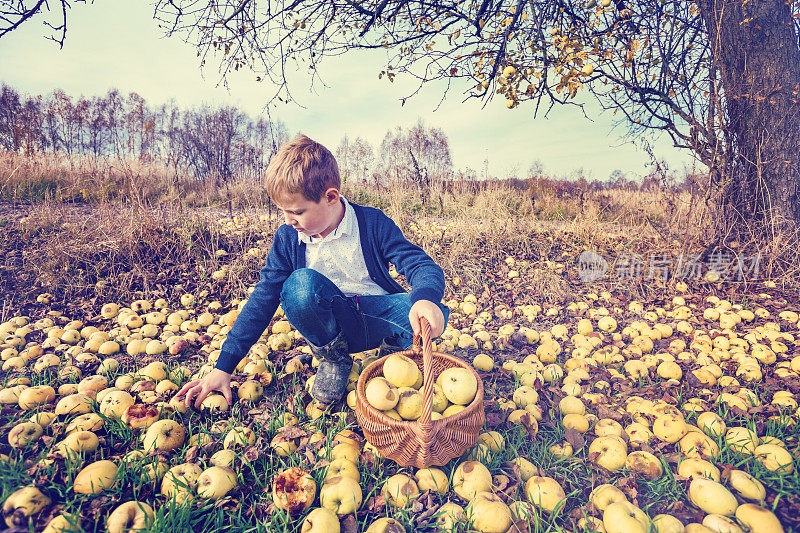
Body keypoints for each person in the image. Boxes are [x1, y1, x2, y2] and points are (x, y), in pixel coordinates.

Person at [176, 134, 449, 410]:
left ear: (330, 197)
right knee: (299, 286)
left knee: (431, 311)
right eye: (282, 211)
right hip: (331, 327)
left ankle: (393, 355)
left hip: (376, 316)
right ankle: (334, 359)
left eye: (296, 211)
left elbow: (421, 264)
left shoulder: (372, 223)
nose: (288, 220)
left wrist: (425, 298)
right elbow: (263, 299)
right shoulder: (288, 238)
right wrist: (223, 367)